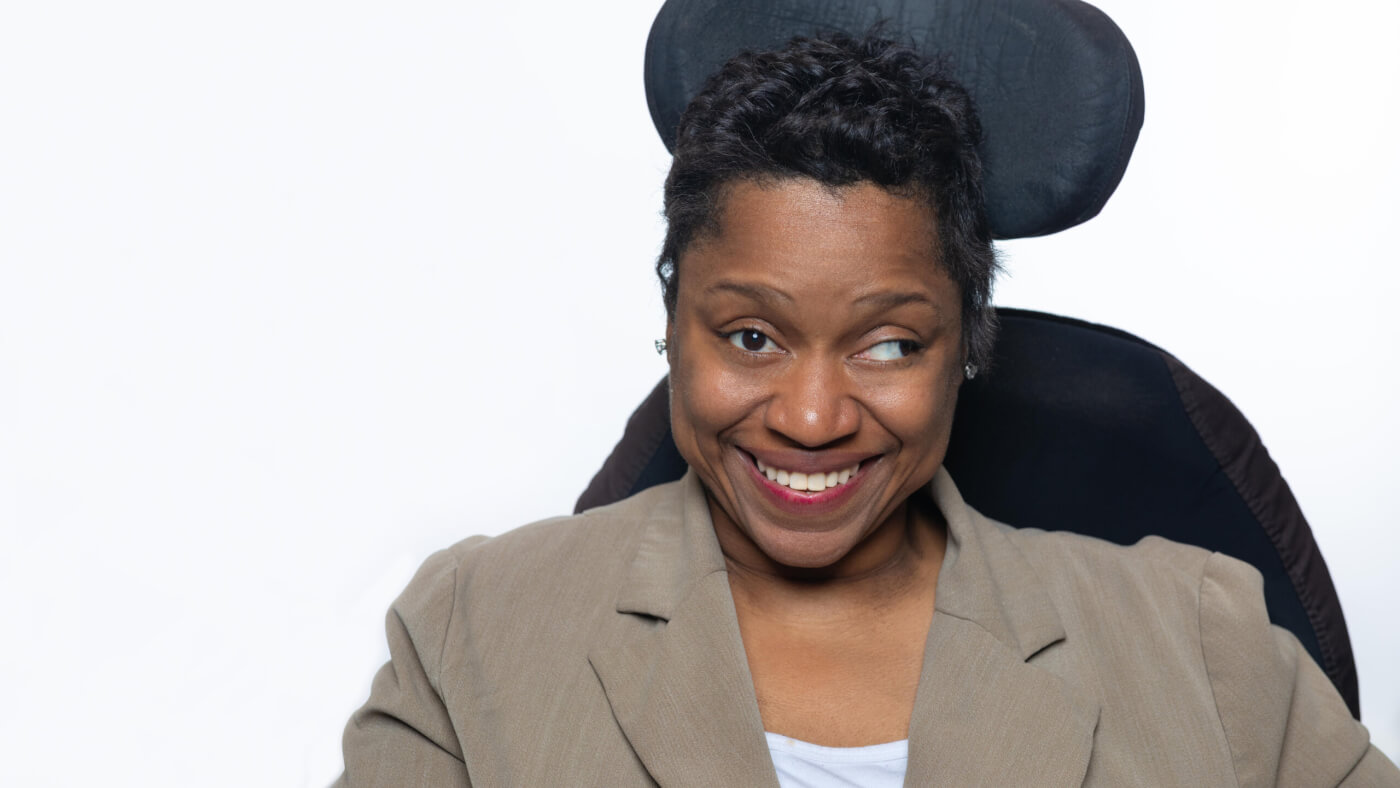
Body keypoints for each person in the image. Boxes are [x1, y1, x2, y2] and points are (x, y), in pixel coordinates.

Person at [336, 32, 1398, 786]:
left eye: (888, 343)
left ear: (966, 345)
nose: (811, 419)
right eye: (751, 337)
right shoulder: (472, 633)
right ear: (672, 325)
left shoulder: (1199, 641)